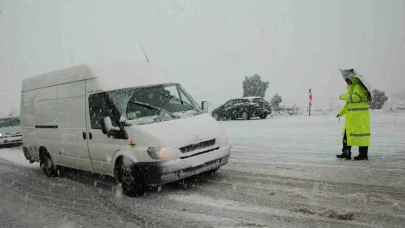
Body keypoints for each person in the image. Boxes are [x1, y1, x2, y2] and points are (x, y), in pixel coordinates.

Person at [336, 77, 371, 160]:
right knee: (346, 135)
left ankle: (363, 155)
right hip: (352, 118)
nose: (347, 84)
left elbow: (354, 98)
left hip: (359, 118)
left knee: (361, 136)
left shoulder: (359, 87)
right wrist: (340, 113)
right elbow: (348, 105)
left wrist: (342, 96)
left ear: (353, 80)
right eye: (347, 82)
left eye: (348, 82)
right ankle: (346, 153)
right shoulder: (352, 90)